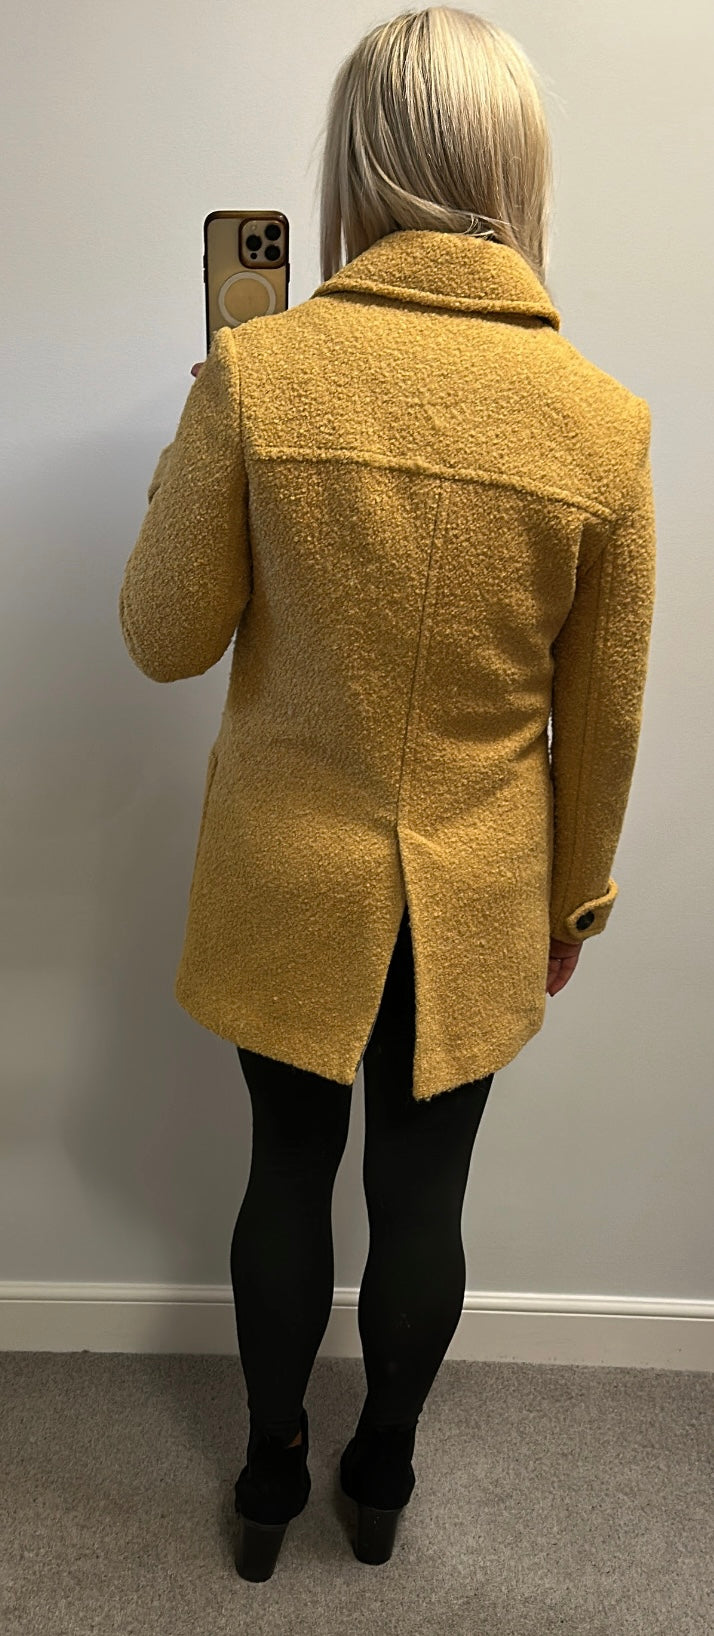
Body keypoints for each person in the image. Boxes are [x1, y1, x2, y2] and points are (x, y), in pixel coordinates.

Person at [118, 6, 657, 1580]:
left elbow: (162, 637)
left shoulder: (263, 372)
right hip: (478, 883)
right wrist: (575, 901)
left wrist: (205, 420)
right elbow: (604, 717)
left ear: (357, 162)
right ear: (515, 167)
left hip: (289, 866)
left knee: (284, 1170)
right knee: (428, 1196)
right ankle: (384, 1471)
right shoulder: (600, 422)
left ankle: (268, 1474)